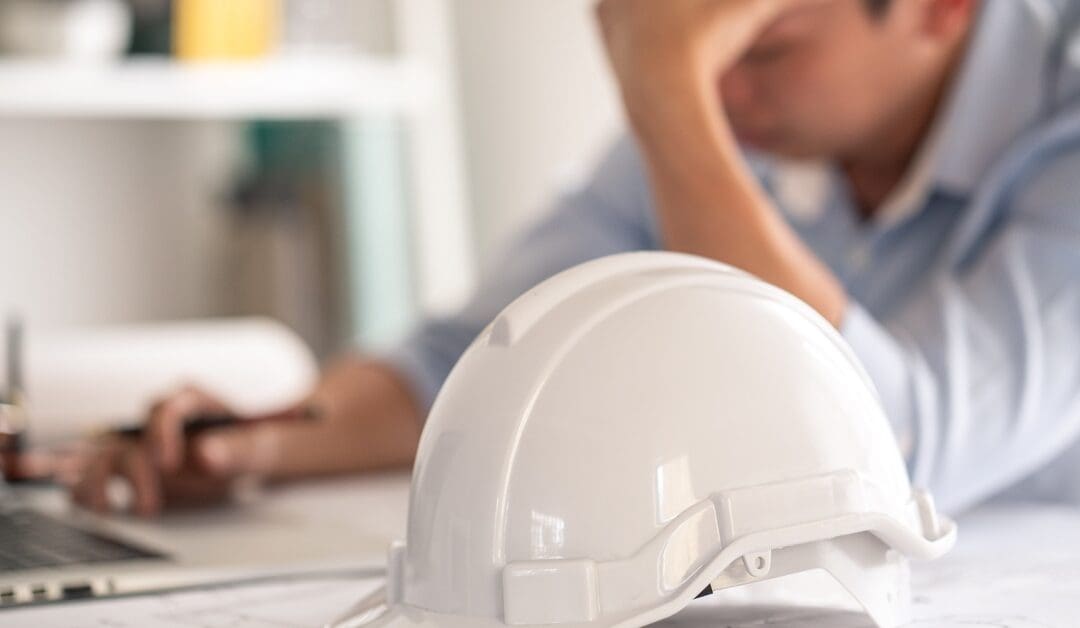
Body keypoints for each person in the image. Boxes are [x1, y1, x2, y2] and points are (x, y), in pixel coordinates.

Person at [73, 0, 1080, 516]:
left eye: (759, 50)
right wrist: (255, 445)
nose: (721, 95)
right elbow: (476, 356)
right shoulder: (749, 117)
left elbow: (886, 452)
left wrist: (667, 83)